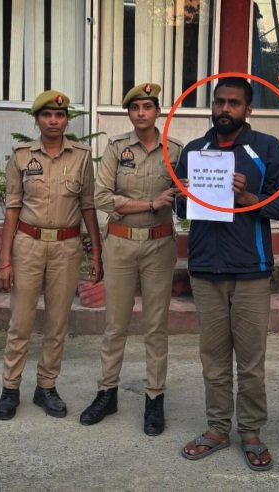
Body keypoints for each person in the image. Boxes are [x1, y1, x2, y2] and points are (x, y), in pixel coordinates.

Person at [176, 77, 279, 471]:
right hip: (205, 268)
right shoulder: (195, 151)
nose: (224, 109)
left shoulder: (265, 148)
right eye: (219, 102)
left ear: (248, 109)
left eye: (233, 103)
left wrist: (248, 198)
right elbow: (182, 211)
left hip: (250, 270)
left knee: (250, 362)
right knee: (212, 359)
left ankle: (251, 432)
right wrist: (183, 196)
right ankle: (216, 428)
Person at [79, 83, 183, 436]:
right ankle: (107, 393)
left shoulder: (175, 151)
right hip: (121, 245)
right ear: (129, 113)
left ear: (157, 111)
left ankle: (155, 398)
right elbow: (102, 196)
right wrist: (150, 203)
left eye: (147, 107)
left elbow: (187, 194)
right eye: (135, 107)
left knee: (156, 326)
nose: (141, 113)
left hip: (159, 245)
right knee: (115, 324)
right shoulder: (116, 148)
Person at [0, 90, 102, 421]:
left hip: (66, 249)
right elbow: (12, 208)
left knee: (57, 323)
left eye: (60, 115)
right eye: (47, 115)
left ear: (66, 120)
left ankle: (46, 386)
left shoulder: (81, 157)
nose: (54, 121)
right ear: (37, 120)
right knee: (21, 322)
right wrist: (5, 260)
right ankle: (10, 389)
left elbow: (88, 205)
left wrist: (96, 252)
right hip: (28, 244)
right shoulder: (22, 156)